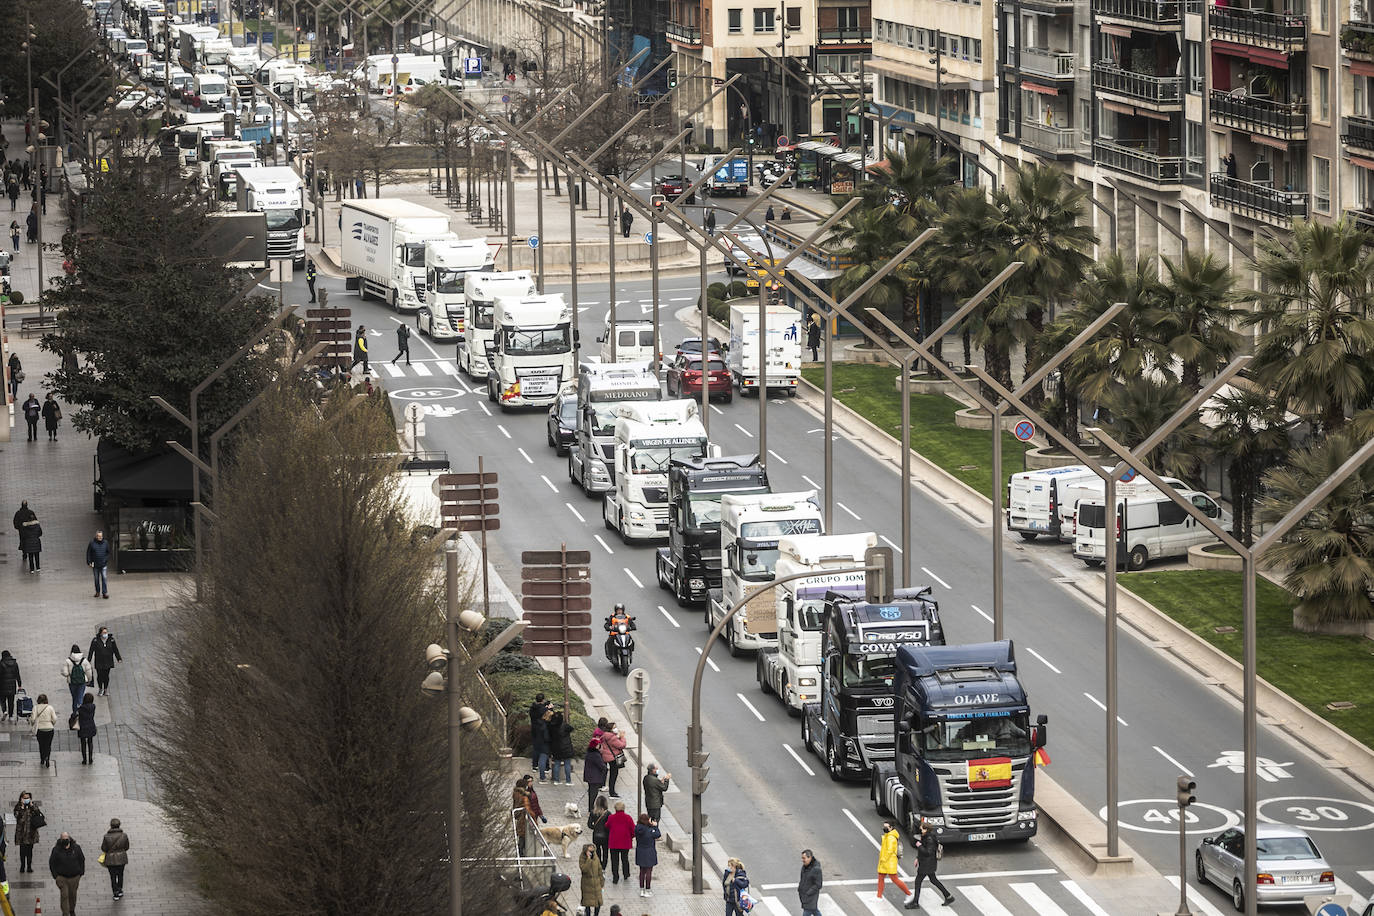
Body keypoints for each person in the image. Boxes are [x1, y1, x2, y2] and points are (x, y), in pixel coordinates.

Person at [906, 819, 955, 909]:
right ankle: (948, 896)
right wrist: (917, 858)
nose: (920, 830)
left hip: (926, 864)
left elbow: (928, 852)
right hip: (928, 863)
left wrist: (919, 846)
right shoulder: (926, 837)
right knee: (933, 880)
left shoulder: (929, 839)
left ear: (926, 830)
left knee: (918, 882)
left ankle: (915, 902)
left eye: (921, 829)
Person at [876, 821, 913, 905]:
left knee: (894, 879)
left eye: (886, 827)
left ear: (891, 827)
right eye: (884, 826)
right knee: (881, 878)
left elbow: (889, 850)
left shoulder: (891, 838)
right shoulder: (888, 836)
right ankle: (879, 896)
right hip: (886, 861)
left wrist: (883, 859)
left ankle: (909, 894)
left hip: (889, 862)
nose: (884, 828)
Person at [49, 832, 85, 916]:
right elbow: (52, 863)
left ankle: (72, 910)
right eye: (63, 838)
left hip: (74, 877)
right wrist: (56, 876)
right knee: (64, 895)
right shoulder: (56, 850)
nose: (65, 840)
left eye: (66, 838)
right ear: (60, 839)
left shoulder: (76, 848)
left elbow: (81, 859)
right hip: (62, 877)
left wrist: (81, 873)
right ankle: (65, 913)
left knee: (72, 895)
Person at [606, 800, 635, 885]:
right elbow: (633, 830)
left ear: (615, 809)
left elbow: (607, 826)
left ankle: (615, 877)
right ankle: (626, 874)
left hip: (614, 842)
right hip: (625, 842)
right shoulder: (628, 817)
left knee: (614, 860)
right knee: (625, 859)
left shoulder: (611, 817)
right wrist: (631, 837)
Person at [13, 791, 43, 873]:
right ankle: (22, 866)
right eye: (24, 798)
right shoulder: (18, 807)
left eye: (27, 798)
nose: (26, 799)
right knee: (22, 851)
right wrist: (22, 808)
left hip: (31, 833)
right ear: (21, 798)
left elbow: (38, 814)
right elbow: (17, 817)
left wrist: (32, 806)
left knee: (30, 851)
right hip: (21, 834)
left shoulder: (33, 805)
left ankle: (29, 866)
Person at [88, 627, 123, 697]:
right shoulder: (95, 640)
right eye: (104, 632)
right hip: (99, 661)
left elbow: (115, 649)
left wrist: (118, 658)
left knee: (106, 676)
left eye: (106, 632)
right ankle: (101, 688)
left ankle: (106, 689)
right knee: (100, 676)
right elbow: (91, 650)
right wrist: (89, 660)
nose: (105, 634)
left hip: (108, 661)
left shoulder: (111, 640)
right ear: (100, 633)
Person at [597, 720, 627, 798]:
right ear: (610, 729)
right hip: (613, 757)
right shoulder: (612, 738)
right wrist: (622, 738)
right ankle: (612, 792)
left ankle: (610, 789)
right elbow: (621, 745)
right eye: (614, 727)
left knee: (611, 773)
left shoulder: (605, 736)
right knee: (613, 775)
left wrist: (618, 736)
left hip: (606, 756)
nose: (616, 729)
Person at [100, 818, 129, 900]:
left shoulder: (106, 836)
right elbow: (127, 847)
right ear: (119, 825)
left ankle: (115, 892)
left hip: (110, 859)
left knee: (112, 876)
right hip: (121, 858)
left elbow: (103, 848)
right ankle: (120, 890)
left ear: (111, 826)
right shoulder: (124, 836)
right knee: (120, 874)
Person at [633, 812, 660, 898]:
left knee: (642, 871)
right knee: (648, 871)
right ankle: (648, 889)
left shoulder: (637, 829)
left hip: (640, 851)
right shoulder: (650, 830)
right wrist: (655, 826)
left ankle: (641, 890)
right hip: (649, 852)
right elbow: (658, 835)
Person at [62, 646, 93, 715]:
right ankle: (81, 711)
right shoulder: (84, 660)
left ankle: (75, 712)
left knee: (74, 697)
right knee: (80, 696)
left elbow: (65, 673)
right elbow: (89, 671)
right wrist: (89, 679)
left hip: (72, 682)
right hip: (82, 682)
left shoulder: (68, 661)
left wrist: (69, 674)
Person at [548, 708, 575, 785]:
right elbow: (571, 728)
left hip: (556, 747)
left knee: (557, 763)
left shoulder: (551, 726)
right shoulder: (565, 726)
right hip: (566, 747)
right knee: (567, 763)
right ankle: (568, 781)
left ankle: (556, 780)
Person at [583, 740, 608, 817]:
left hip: (589, 776)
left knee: (591, 792)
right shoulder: (596, 755)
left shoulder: (589, 753)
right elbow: (601, 765)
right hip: (595, 776)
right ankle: (591, 809)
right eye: (598, 745)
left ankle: (590, 808)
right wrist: (605, 768)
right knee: (593, 793)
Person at [31, 694, 57, 767]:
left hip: (40, 729)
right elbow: (54, 718)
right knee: (48, 745)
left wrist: (33, 723)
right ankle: (47, 757)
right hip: (49, 729)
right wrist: (51, 723)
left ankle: (42, 758)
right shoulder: (50, 707)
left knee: (41, 744)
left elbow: (32, 719)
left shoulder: (35, 708)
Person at [578, 843, 604, 916]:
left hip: (596, 884)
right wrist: (588, 859)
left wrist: (602, 882)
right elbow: (584, 869)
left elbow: (599, 869)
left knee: (598, 903)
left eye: (592, 849)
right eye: (590, 849)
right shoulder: (582, 857)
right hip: (587, 884)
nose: (591, 851)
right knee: (587, 903)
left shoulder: (596, 857)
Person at [16, 505, 41, 572]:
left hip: (28, 542)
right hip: (36, 542)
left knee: (30, 556)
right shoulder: (37, 526)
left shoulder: (25, 527)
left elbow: (24, 535)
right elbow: (40, 533)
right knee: (37, 555)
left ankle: (32, 569)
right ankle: (38, 567)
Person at [87, 530, 111, 598]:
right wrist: (89, 562)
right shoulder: (92, 543)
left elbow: (108, 553)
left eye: (101, 536)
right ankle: (97, 591)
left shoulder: (105, 543)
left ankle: (104, 593)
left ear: (102, 536)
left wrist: (105, 560)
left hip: (103, 564)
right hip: (95, 565)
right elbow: (88, 553)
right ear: (96, 536)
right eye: (98, 536)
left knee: (104, 578)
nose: (100, 537)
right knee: (96, 579)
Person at [587, 794, 610, 867]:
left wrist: (595, 827)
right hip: (606, 836)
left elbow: (589, 824)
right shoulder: (608, 813)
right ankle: (604, 866)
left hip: (596, 835)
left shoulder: (593, 812)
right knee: (605, 851)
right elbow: (610, 825)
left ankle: (599, 864)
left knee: (597, 851)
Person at [798, 849, 823, 916]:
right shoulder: (804, 867)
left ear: (810, 858)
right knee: (814, 910)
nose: (802, 860)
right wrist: (800, 888)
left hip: (810, 896)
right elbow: (802, 879)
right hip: (804, 895)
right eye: (802, 858)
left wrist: (808, 893)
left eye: (804, 858)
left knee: (807, 911)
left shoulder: (816, 869)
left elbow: (818, 885)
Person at [528, 693, 549, 765]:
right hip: (542, 730)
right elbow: (546, 715)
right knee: (544, 749)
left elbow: (539, 709)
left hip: (534, 730)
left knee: (536, 748)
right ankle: (545, 766)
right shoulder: (543, 709)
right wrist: (549, 708)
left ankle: (535, 765)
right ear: (543, 700)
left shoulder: (532, 708)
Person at [76, 692, 97, 764]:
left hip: (83, 727)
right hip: (91, 726)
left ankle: (84, 759)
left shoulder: (81, 709)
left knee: (83, 743)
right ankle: (90, 758)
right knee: (90, 742)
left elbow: (75, 715)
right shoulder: (93, 707)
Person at [0, 651, 21, 718]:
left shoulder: (1, 663)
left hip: (2, 686)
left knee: (2, 700)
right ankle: (11, 716)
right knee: (11, 701)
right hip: (12, 685)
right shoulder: (15, 664)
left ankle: (4, 711)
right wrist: (19, 684)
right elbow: (17, 674)